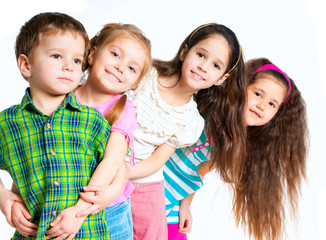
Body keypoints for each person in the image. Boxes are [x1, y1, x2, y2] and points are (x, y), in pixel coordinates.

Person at [164, 57, 308, 240]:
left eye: (272, 104)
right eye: (258, 94)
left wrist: (185, 206)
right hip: (148, 179)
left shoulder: (235, 146)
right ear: (242, 87)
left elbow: (199, 172)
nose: (261, 106)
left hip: (172, 201)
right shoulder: (210, 109)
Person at [0, 12, 113, 239]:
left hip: (87, 233)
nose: (69, 67)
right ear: (26, 65)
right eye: (56, 56)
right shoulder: (6, 123)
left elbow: (117, 169)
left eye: (76, 60)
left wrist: (82, 211)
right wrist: (3, 197)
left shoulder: (93, 122)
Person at [127, 23, 245, 240]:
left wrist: (121, 173)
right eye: (200, 54)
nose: (203, 66)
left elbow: (157, 161)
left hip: (137, 178)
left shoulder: (191, 121)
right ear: (184, 52)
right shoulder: (146, 73)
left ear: (221, 79)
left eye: (216, 66)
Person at [70, 23, 151, 240]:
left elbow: (111, 163)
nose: (120, 67)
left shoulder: (123, 109)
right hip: (63, 202)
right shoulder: (64, 96)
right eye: (115, 54)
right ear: (93, 54)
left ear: (134, 84)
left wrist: (79, 212)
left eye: (132, 68)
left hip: (109, 211)